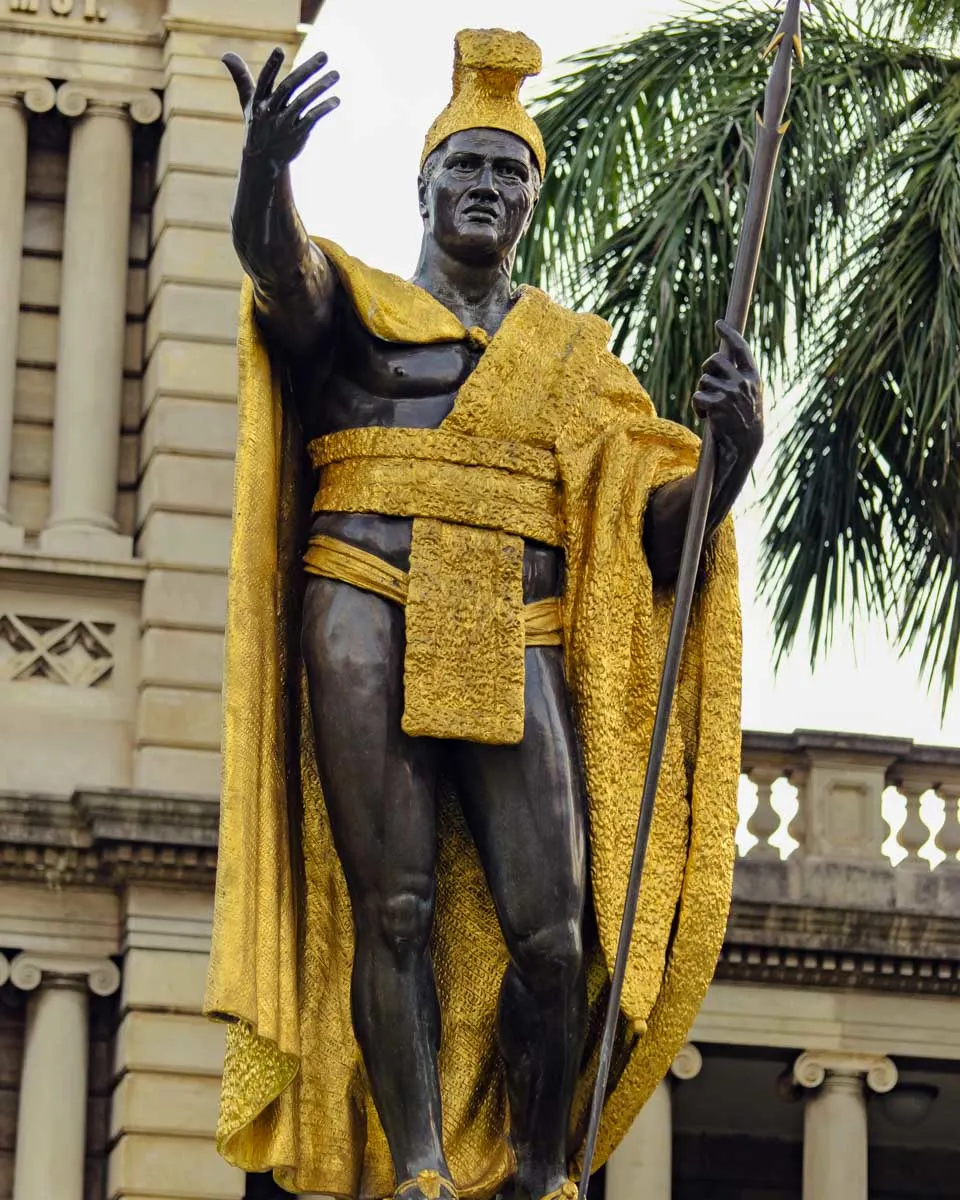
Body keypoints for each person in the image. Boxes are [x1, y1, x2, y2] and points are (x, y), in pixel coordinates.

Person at [205, 28, 761, 1200]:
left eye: (510, 174)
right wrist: (267, 170)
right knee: (393, 902)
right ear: (424, 183)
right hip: (362, 596)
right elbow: (279, 272)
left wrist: (730, 455)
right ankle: (415, 1170)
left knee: (559, 936)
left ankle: (539, 1169)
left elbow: (658, 537)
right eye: (466, 164)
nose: (486, 188)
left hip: (520, 627)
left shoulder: (571, 364)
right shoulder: (359, 308)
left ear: (529, 207)